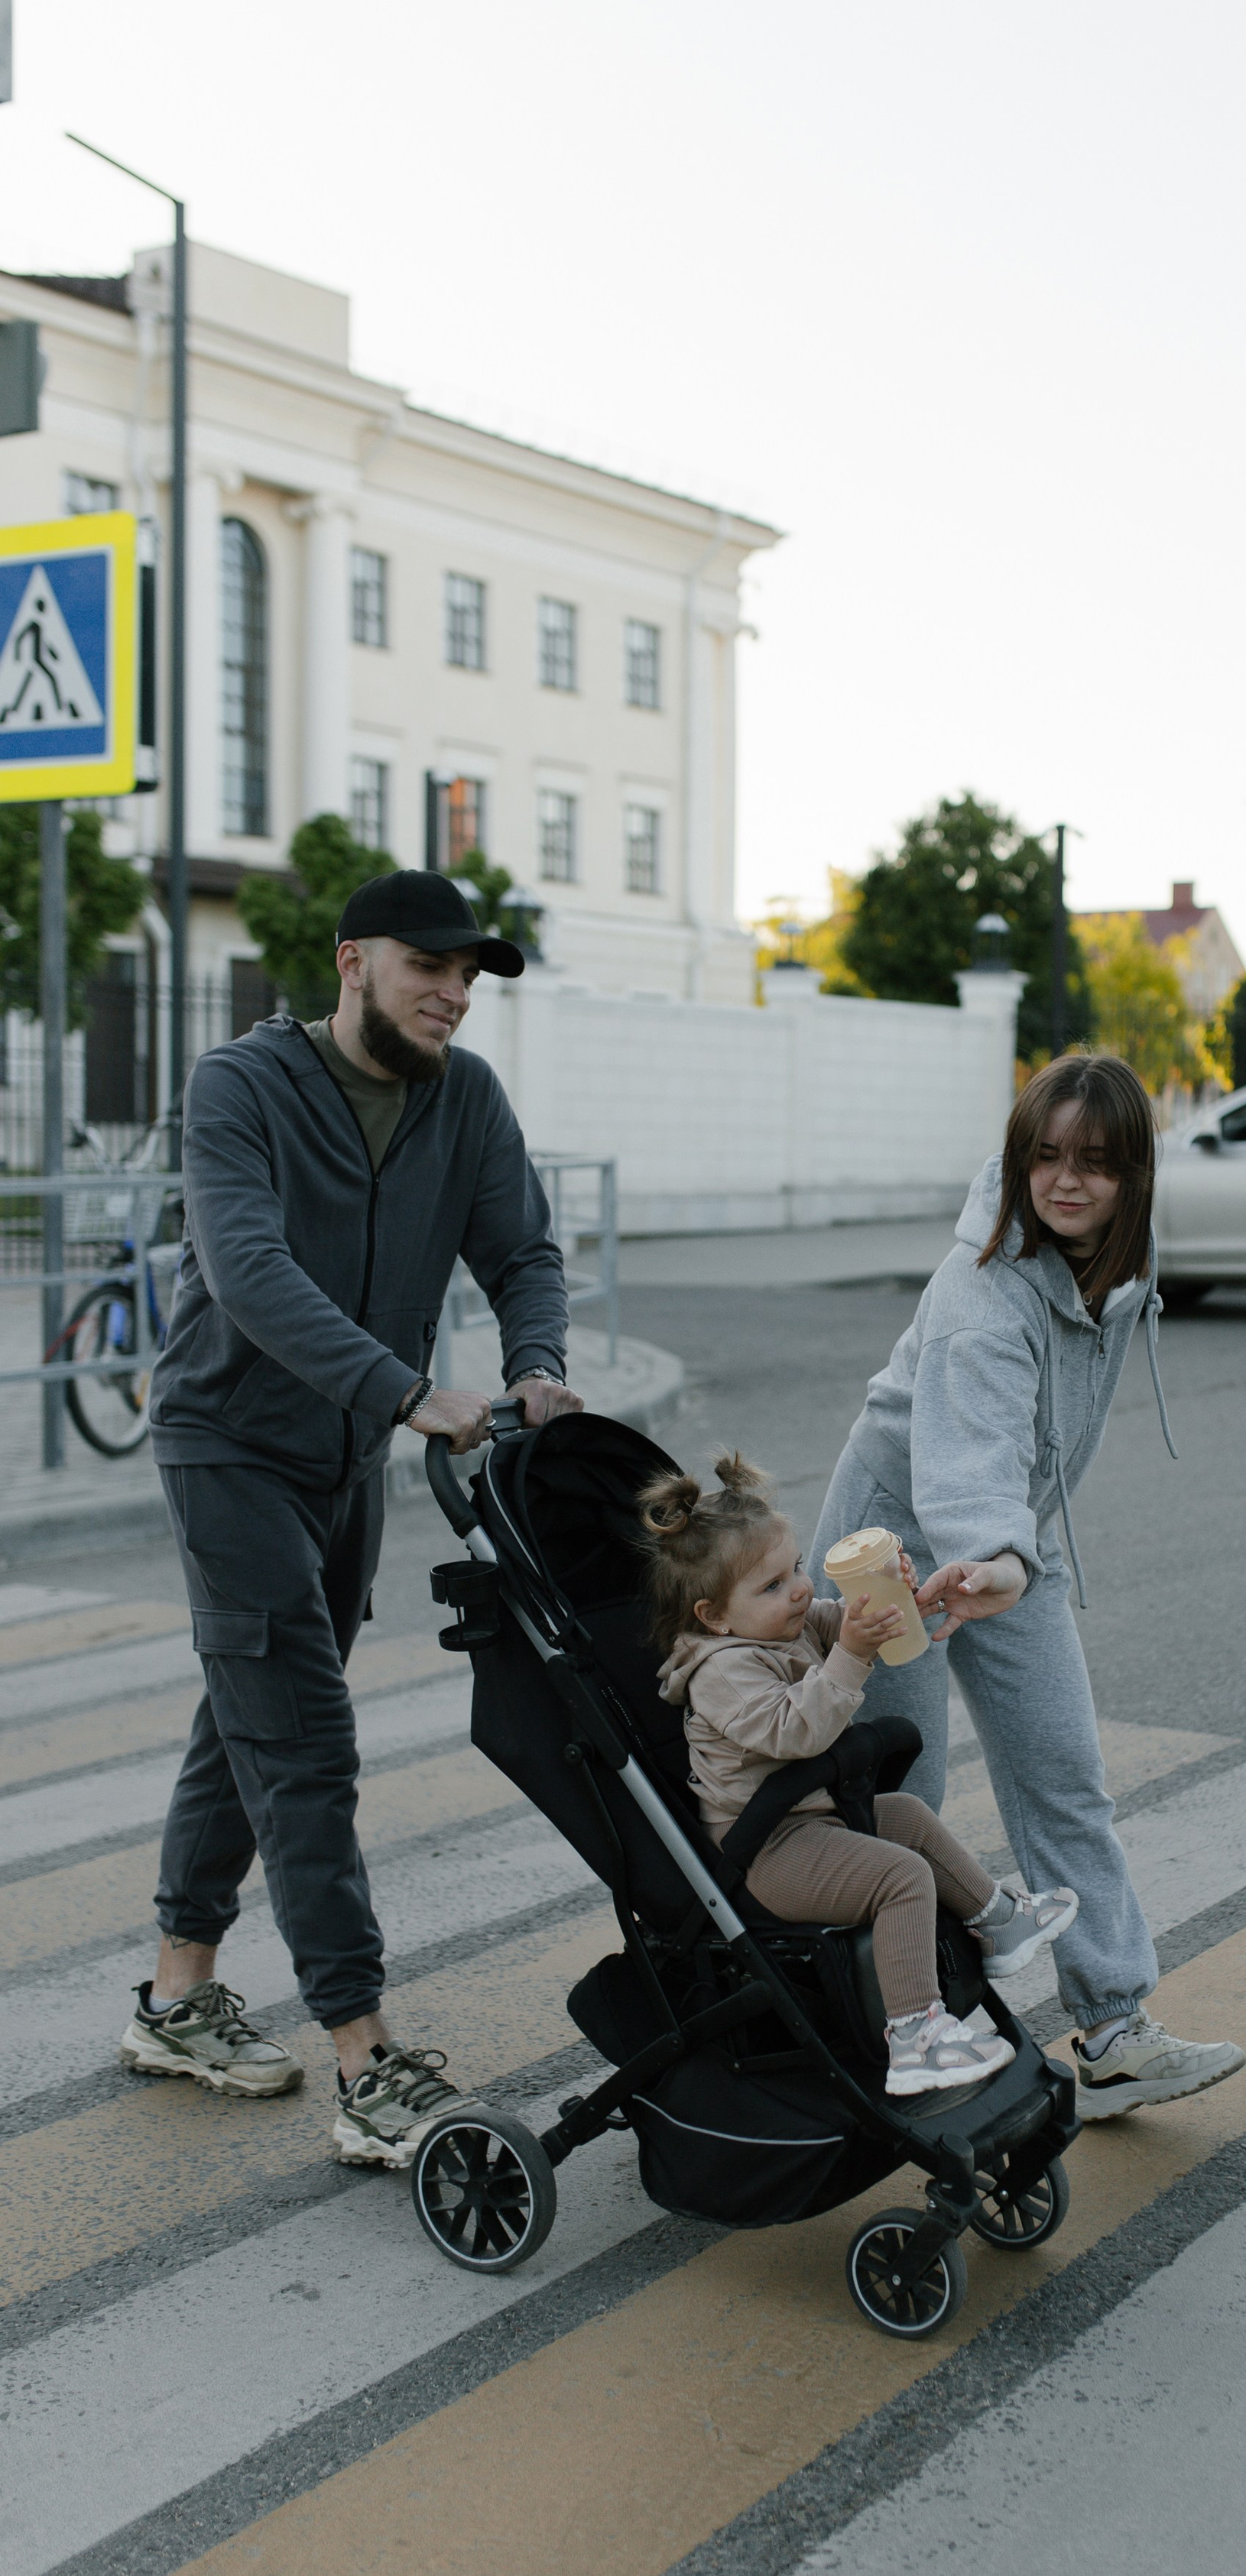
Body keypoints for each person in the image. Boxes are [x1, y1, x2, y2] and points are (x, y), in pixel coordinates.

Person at [120, 869, 582, 2165]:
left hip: (343, 1459)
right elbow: (246, 1273)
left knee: (252, 1705)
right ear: (350, 963)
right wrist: (414, 1393)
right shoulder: (240, 1089)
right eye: (427, 966)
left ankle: (173, 1994)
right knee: (306, 1740)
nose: (452, 993)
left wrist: (537, 1365)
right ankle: (366, 2061)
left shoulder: (466, 1100)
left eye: (470, 975)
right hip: (230, 1447)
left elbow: (523, 1254)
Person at [812, 1051, 1246, 2121]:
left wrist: (1009, 1560)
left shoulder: (1116, 1265)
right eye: (1046, 1158)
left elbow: (1005, 1468)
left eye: (1094, 1163)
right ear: (1018, 1162)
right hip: (899, 1557)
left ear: (1132, 1176)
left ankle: (1112, 2031)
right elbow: (963, 1458)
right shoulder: (980, 1295)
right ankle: (885, 2028)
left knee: (1064, 1773)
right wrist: (996, 1557)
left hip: (1006, 1550)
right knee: (899, 1800)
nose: (1066, 1182)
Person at [645, 1453, 1080, 2095]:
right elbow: (796, 1731)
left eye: (794, 1568)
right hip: (764, 1849)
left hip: (807, 1822)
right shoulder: (721, 1672)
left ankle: (997, 1918)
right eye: (771, 1586)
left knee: (903, 1815)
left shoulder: (779, 1628)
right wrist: (850, 1653)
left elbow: (838, 1622)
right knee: (899, 1877)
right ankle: (916, 2037)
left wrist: (880, 1601)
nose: (797, 1589)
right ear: (713, 1616)